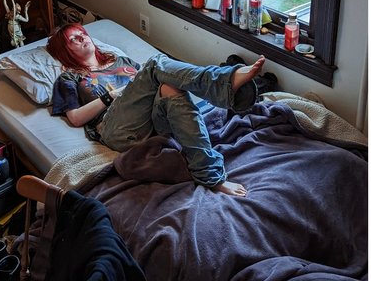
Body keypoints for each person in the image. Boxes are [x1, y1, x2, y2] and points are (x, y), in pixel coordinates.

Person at [46, 23, 264, 197]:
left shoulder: (119, 60)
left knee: (169, 86)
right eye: (72, 40)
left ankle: (210, 175)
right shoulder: (70, 77)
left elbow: (150, 85)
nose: (82, 38)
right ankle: (224, 82)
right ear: (65, 53)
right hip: (116, 128)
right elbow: (75, 118)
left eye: (81, 33)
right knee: (155, 63)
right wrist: (110, 95)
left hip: (150, 121)